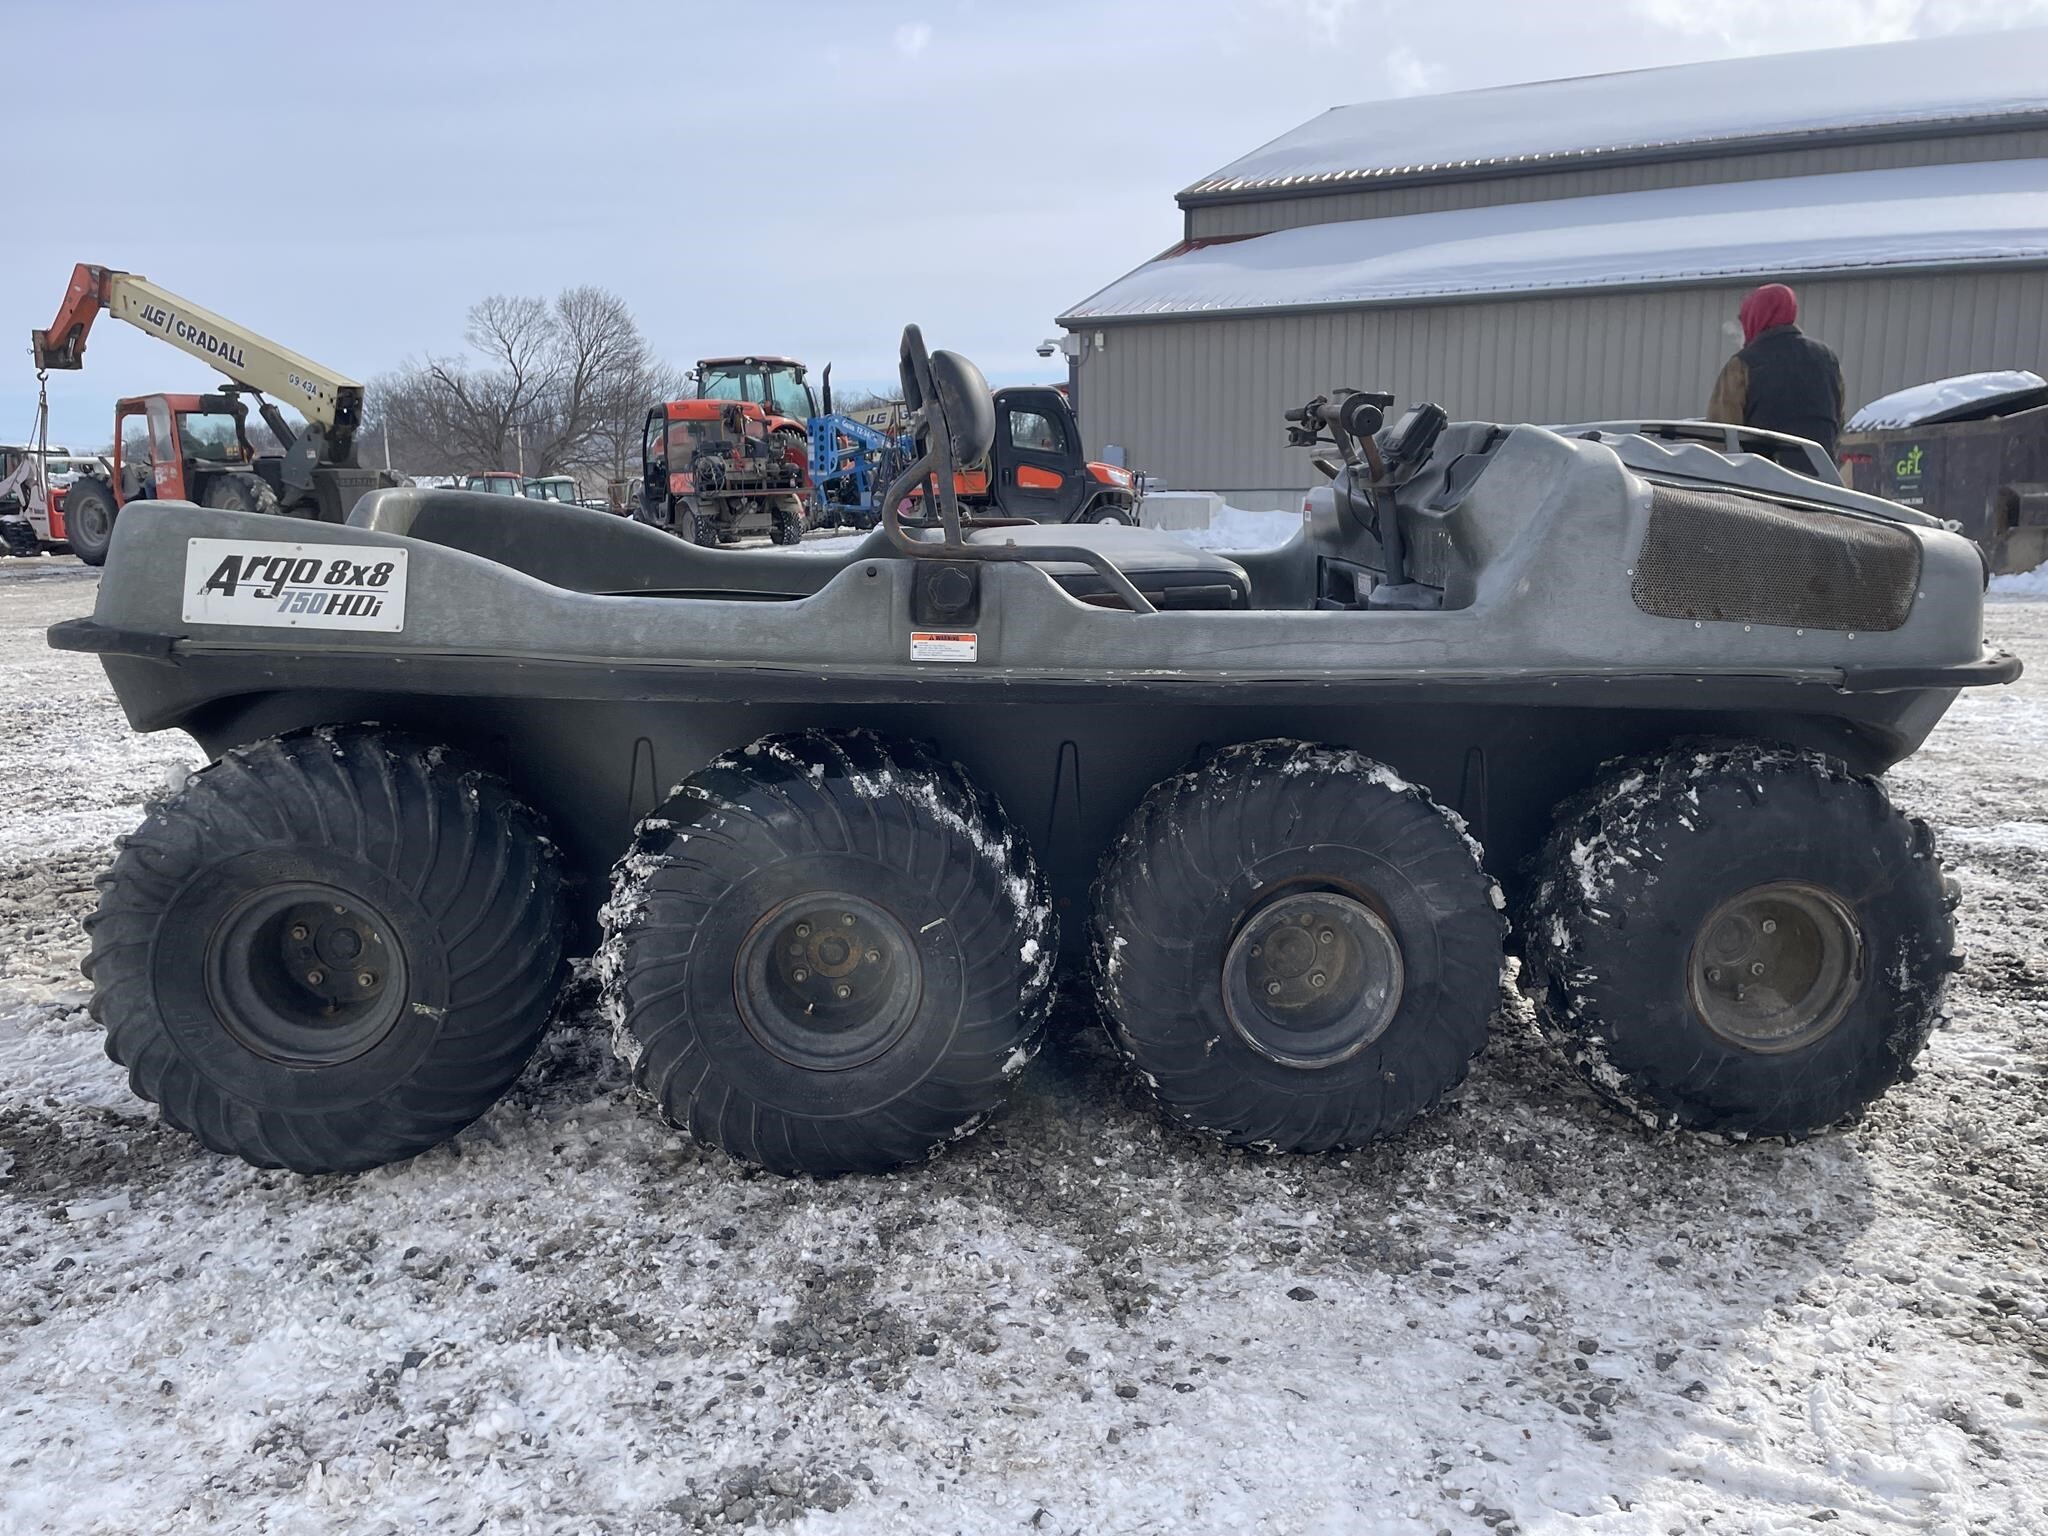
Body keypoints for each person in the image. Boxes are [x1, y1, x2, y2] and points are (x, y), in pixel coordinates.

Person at [1707, 283, 1845, 468]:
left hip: (1764, 483)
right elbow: (1838, 420)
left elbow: (1720, 434)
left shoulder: (1743, 364)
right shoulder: (1827, 358)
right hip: (1822, 479)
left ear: (1755, 315)